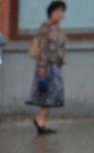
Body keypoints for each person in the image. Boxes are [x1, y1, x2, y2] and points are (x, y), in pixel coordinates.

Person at [27, 1, 67, 134]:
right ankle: (40, 120)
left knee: (52, 95)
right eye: (57, 11)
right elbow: (43, 49)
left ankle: (42, 120)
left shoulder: (57, 28)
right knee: (47, 94)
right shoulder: (46, 28)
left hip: (55, 65)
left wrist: (61, 59)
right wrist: (42, 67)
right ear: (51, 13)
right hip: (47, 66)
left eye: (62, 11)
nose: (60, 14)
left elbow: (58, 47)